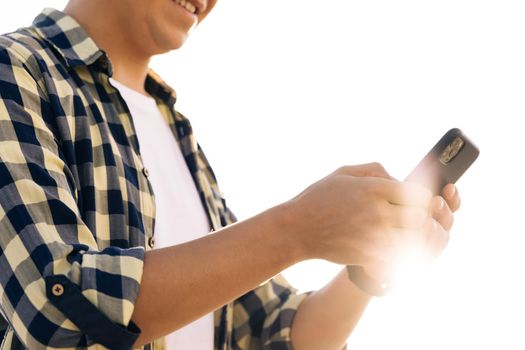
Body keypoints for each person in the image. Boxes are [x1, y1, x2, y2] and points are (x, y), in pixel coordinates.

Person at [0, 1, 460, 349]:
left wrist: (367, 271)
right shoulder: (17, 69)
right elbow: (53, 305)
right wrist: (297, 228)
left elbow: (273, 331)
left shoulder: (175, 131)